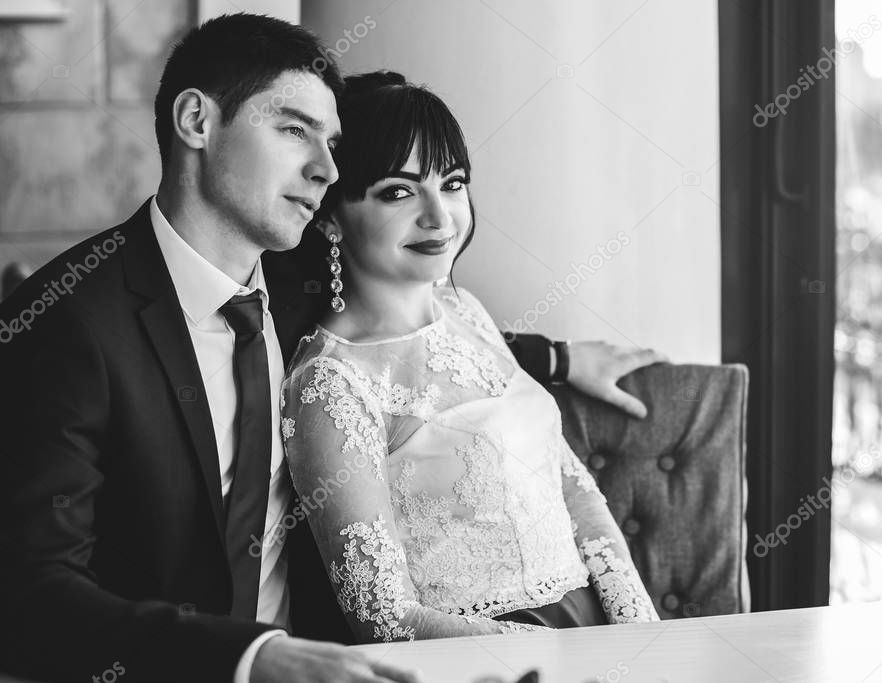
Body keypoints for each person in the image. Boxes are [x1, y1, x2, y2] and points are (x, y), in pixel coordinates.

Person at [0, 14, 664, 683]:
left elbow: (415, 349)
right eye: (293, 130)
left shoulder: (297, 290)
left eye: (333, 142)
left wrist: (560, 359)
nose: (325, 168)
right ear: (197, 121)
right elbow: (31, 598)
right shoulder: (61, 326)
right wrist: (250, 658)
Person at [281, 71, 663, 644]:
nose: (439, 217)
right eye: (397, 192)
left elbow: (569, 482)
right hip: (482, 657)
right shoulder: (331, 385)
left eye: (452, 183)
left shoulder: (467, 310)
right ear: (331, 214)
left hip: (593, 624)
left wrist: (636, 623)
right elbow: (381, 616)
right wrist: (556, 657)